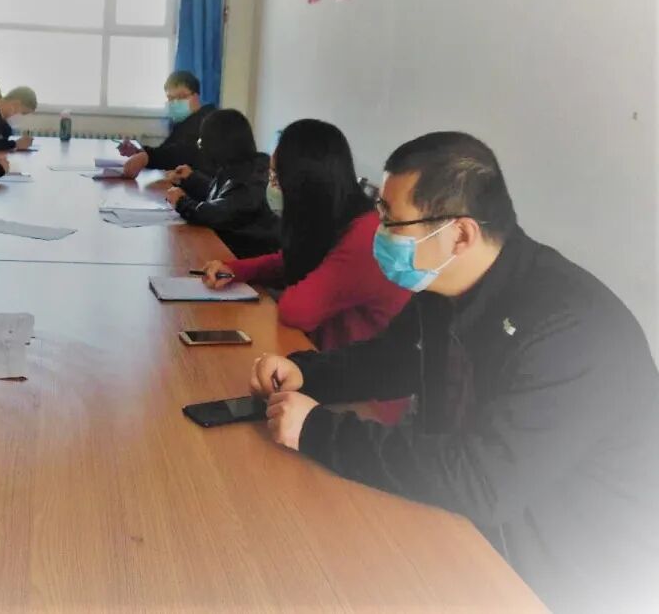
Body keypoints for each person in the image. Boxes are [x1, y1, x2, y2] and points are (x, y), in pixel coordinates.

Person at [251, 131, 659, 612]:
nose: (380, 232)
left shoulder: (572, 329)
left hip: (564, 576)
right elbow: (394, 359)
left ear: (460, 234)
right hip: (475, 526)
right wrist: (306, 374)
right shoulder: (447, 284)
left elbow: (483, 481)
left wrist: (317, 430)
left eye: (392, 220)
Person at [199, 119, 410, 420]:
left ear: (304, 185)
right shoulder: (341, 217)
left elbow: (296, 310)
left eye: (277, 176)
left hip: (366, 398)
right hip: (326, 368)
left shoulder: (366, 237)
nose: (272, 186)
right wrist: (236, 269)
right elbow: (291, 261)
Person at [164, 109, 279, 259]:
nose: (201, 148)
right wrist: (191, 179)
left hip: (246, 259)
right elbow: (222, 196)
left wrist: (181, 202)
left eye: (203, 142)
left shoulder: (255, 178)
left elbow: (217, 213)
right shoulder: (237, 167)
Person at [119, 70, 215, 178]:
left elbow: (182, 153)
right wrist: (139, 151)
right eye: (170, 98)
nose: (175, 102)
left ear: (196, 96)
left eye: (181, 97)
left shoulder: (209, 121)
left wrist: (147, 157)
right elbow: (166, 151)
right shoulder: (184, 122)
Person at [0, 86, 38, 153]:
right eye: (24, 113)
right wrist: (15, 144)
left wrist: (18, 144)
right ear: (15, 104)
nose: (22, 117)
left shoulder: (5, 125)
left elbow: (0, 143)